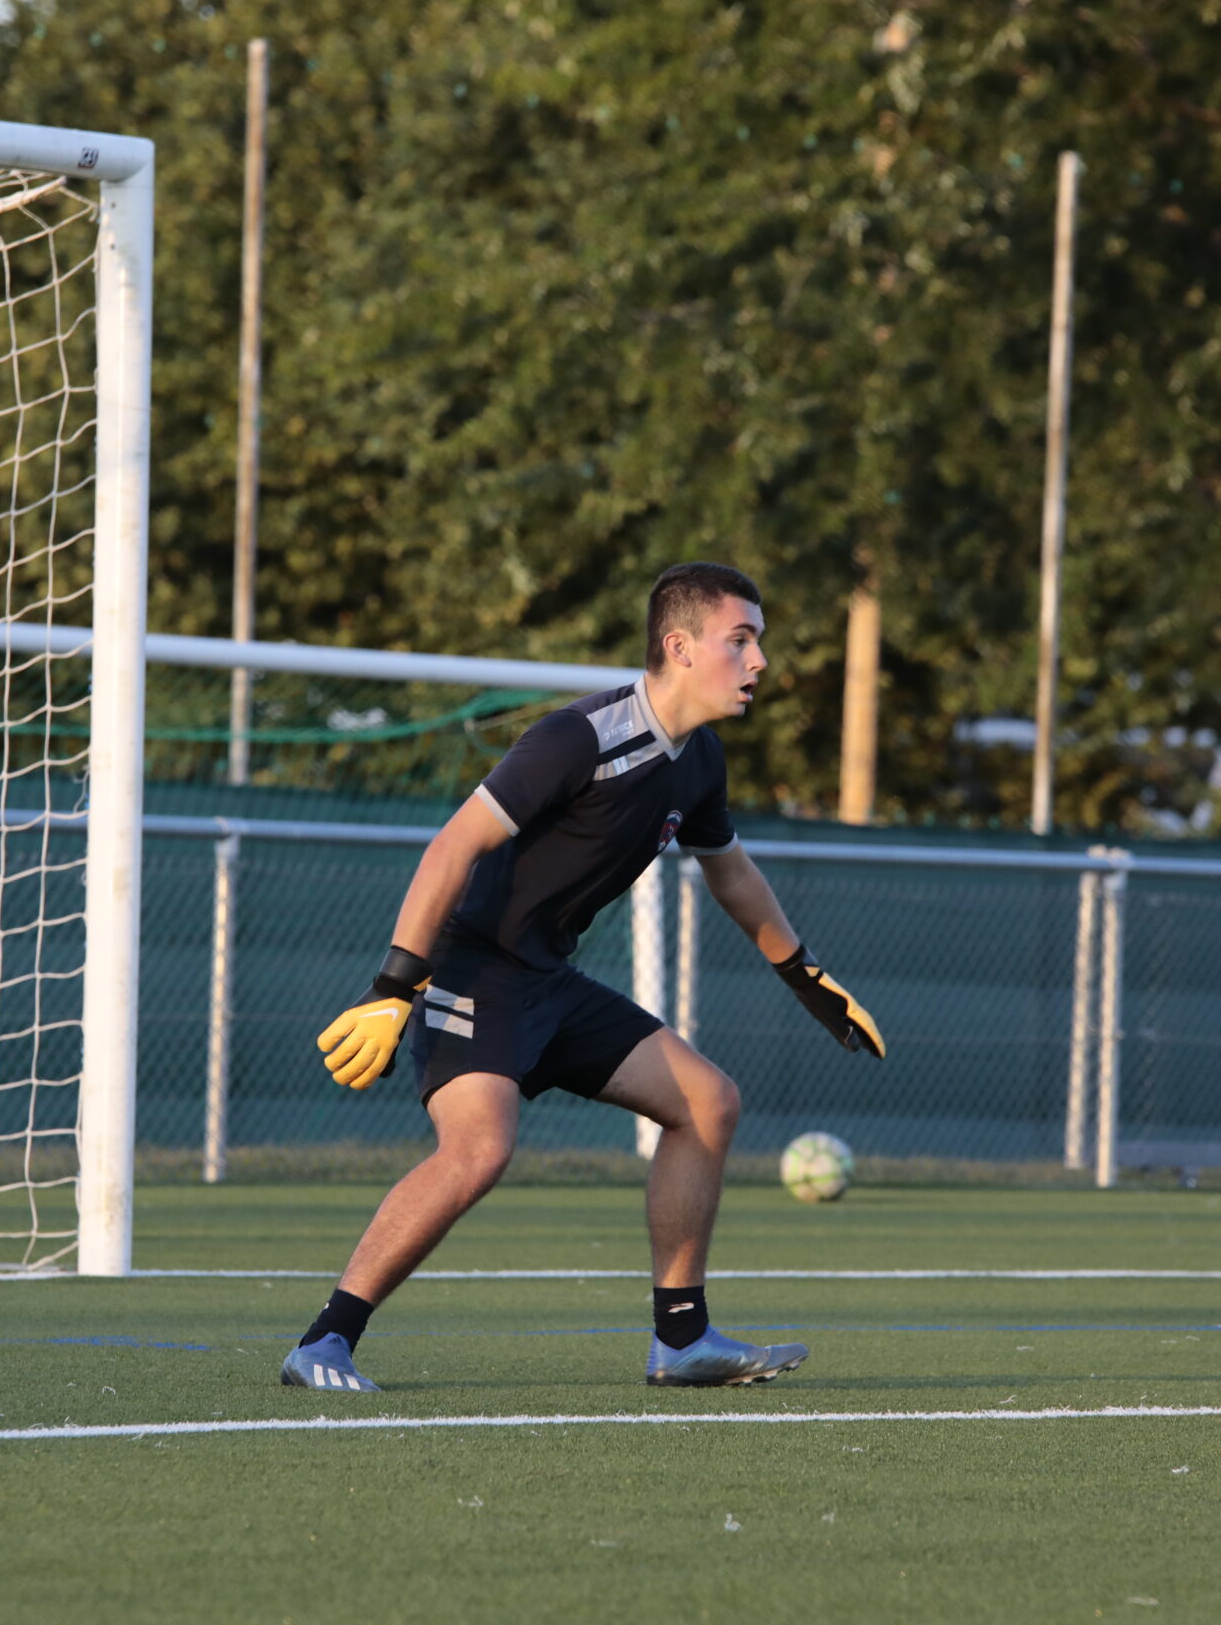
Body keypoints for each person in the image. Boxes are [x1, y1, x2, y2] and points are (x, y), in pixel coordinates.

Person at [281, 562, 885, 1393]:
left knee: (709, 1101)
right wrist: (395, 986)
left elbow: (731, 870)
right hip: (473, 970)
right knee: (480, 1149)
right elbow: (453, 846)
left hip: (549, 981)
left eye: (759, 643)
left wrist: (802, 971)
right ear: (678, 646)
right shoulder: (581, 737)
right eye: (740, 641)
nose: (759, 662)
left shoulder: (699, 757)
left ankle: (681, 1339)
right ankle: (323, 1342)